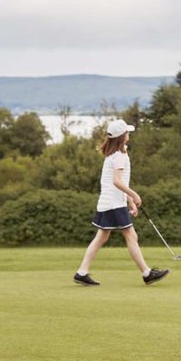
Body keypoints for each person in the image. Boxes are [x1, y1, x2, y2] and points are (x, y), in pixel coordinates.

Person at [73, 118, 169, 288]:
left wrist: (130, 201)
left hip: (110, 202)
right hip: (113, 204)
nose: (128, 134)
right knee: (131, 236)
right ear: (121, 136)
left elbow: (119, 182)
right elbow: (117, 182)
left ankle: (81, 273)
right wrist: (135, 195)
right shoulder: (119, 156)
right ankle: (147, 273)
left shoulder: (116, 154)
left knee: (101, 237)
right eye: (127, 132)